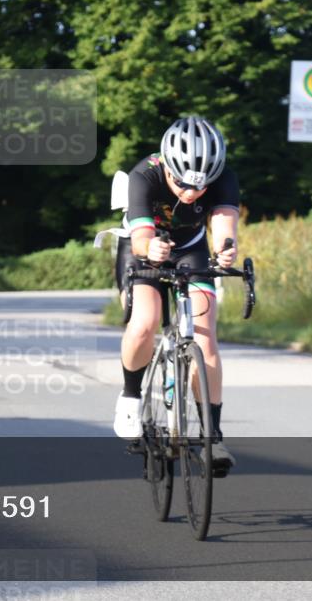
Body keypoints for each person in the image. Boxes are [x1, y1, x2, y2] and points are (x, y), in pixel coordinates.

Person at [113, 116, 239, 475]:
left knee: (206, 338)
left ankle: (212, 436)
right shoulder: (145, 175)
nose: (190, 193)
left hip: (191, 248)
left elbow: (224, 223)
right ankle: (131, 397)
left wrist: (226, 249)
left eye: (200, 186)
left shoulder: (224, 177)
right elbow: (139, 238)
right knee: (145, 322)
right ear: (168, 166)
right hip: (144, 245)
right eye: (182, 183)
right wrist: (148, 248)